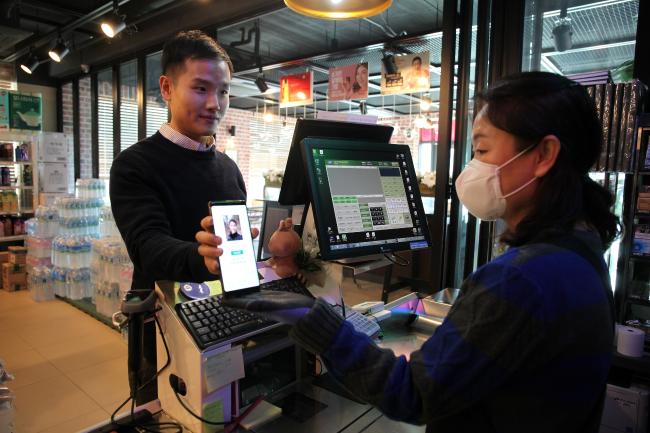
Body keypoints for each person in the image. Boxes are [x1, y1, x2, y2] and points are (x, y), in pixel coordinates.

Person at [200, 72, 618, 432]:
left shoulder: (521, 278)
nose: (472, 168)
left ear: (544, 155)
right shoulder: (581, 250)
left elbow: (412, 394)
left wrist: (315, 322)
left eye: (483, 151)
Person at [111, 30, 252, 291]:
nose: (214, 104)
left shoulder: (229, 169)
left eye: (223, 91)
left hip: (230, 309)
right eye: (200, 88)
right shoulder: (134, 165)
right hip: (162, 317)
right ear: (167, 88)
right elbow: (148, 247)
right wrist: (203, 258)